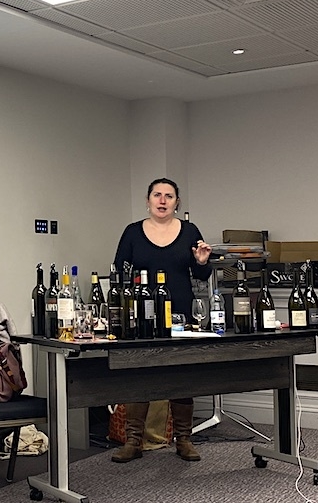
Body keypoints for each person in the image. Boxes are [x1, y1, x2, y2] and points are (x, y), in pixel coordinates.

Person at [111, 178, 212, 463]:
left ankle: (184, 439)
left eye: (169, 196)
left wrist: (203, 262)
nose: (163, 200)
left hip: (181, 313)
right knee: (139, 376)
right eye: (157, 195)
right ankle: (134, 441)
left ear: (177, 202)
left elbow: (201, 276)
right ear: (148, 200)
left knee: (182, 376)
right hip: (142, 315)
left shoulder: (190, 231)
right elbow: (119, 273)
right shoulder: (132, 232)